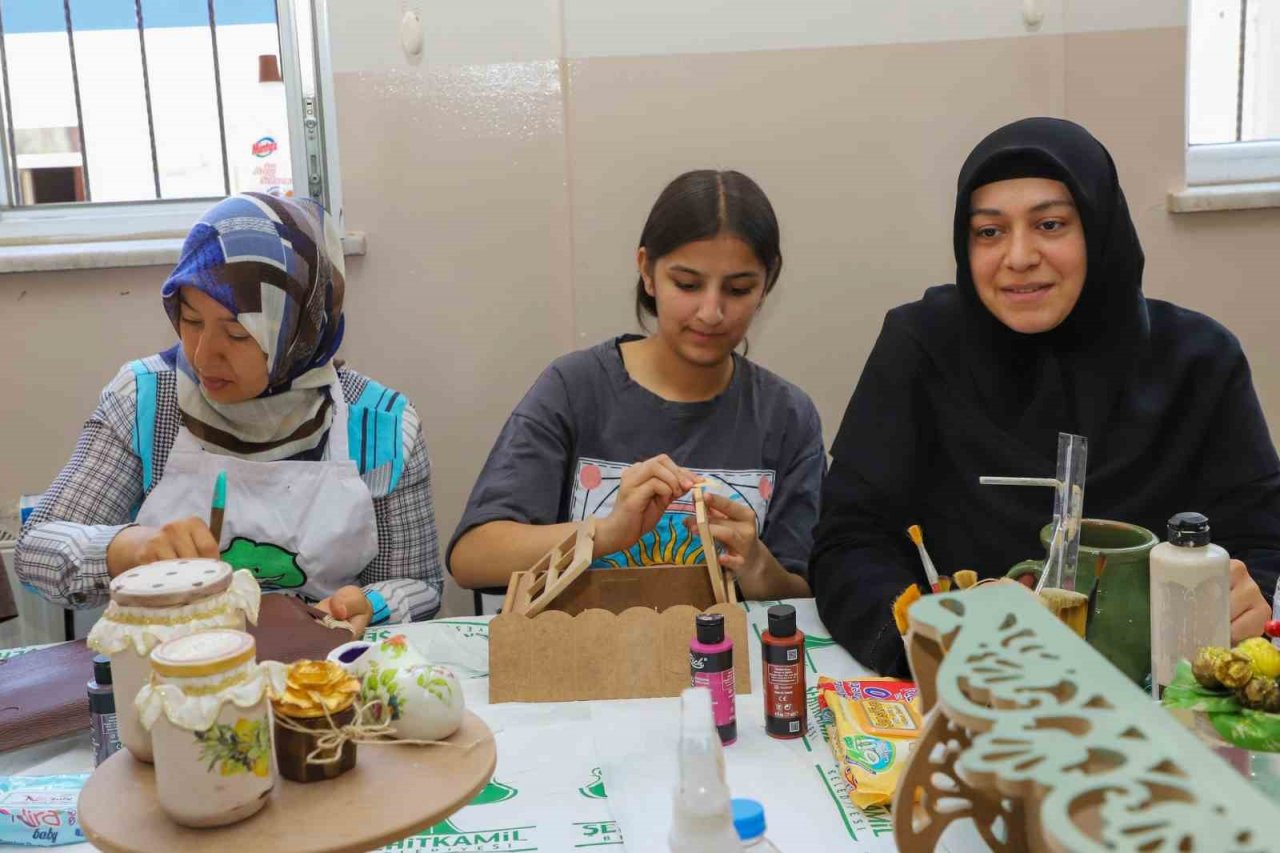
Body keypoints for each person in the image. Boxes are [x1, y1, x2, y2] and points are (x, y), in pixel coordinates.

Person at [812, 118, 1280, 676]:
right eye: (989, 232)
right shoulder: (922, 347)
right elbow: (848, 539)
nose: (1018, 256)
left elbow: (1261, 545)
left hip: (1159, 694)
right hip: (968, 693)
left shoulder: (1199, 363)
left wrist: (1251, 602)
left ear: (1100, 229)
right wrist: (923, 643)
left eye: (1050, 224)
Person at [16, 193, 443, 632]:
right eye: (191, 321)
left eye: (238, 334)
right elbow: (36, 551)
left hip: (319, 673)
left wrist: (371, 603)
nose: (203, 356)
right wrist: (131, 547)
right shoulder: (146, 399)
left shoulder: (380, 424)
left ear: (299, 333)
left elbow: (420, 584)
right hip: (171, 670)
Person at [449, 170, 823, 600]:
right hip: (580, 658)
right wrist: (606, 533)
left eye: (738, 289)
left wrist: (756, 564)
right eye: (687, 284)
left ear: (767, 284)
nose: (711, 311)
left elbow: (803, 593)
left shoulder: (787, 416)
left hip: (727, 665)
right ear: (647, 271)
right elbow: (472, 557)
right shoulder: (574, 388)